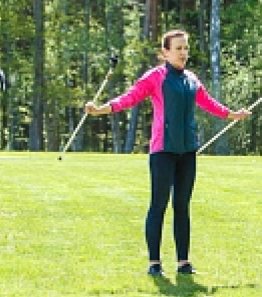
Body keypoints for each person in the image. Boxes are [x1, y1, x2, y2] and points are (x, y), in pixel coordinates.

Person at [84, 29, 249, 276]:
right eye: (178, 48)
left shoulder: (192, 80)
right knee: (158, 205)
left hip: (187, 151)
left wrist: (232, 114)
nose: (183, 53)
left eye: (186, 48)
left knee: (182, 205)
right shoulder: (155, 77)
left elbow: (208, 103)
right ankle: (154, 263)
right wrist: (100, 110)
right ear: (165, 52)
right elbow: (130, 98)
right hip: (163, 151)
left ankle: (183, 263)